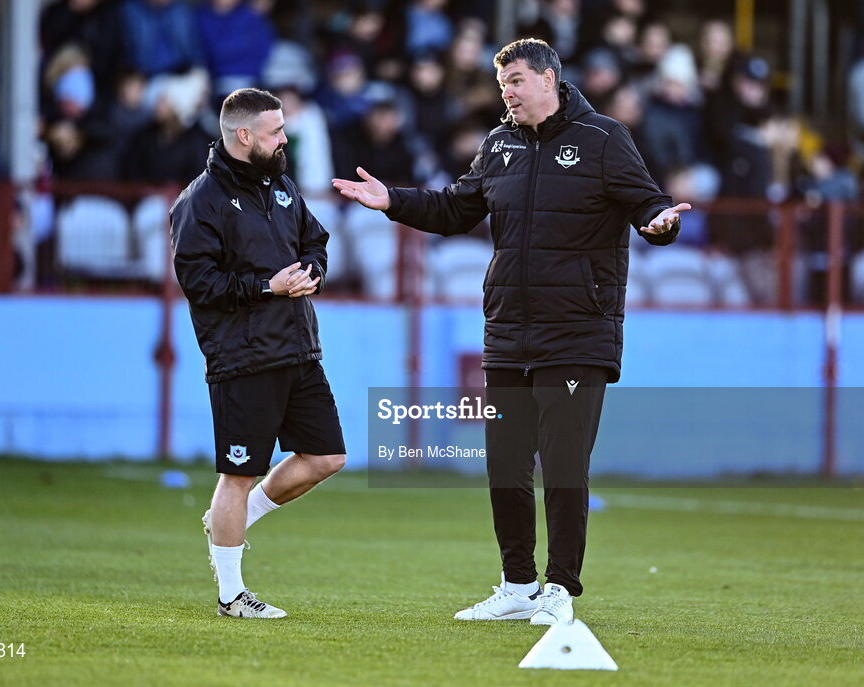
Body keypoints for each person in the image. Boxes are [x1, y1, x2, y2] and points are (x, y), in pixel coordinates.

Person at [333, 38, 689, 625]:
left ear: (549, 79)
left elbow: (649, 206)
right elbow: (454, 209)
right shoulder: (498, 145)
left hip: (578, 330)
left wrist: (659, 226)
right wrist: (391, 201)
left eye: (517, 81)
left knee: (564, 463)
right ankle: (518, 585)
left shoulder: (604, 139)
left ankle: (560, 590)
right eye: (503, 84)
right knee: (504, 465)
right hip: (507, 331)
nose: (508, 93)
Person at [170, 88, 346, 619]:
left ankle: (233, 517)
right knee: (237, 476)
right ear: (244, 136)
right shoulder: (199, 202)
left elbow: (315, 240)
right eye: (275, 131)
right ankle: (230, 597)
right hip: (241, 356)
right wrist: (267, 287)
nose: (284, 137)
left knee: (327, 457)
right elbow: (198, 282)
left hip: (297, 348)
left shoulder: (282, 186)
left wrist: (312, 270)